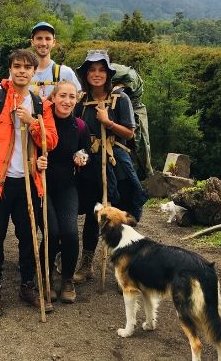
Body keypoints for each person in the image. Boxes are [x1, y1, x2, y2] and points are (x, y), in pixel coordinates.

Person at [0, 49, 58, 316]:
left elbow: (50, 140)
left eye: (27, 67)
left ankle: (27, 284)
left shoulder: (41, 105)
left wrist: (32, 122)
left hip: (28, 182)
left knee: (28, 236)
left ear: (34, 72)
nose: (22, 71)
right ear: (10, 69)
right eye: (17, 66)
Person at [71, 49, 147, 284]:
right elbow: (75, 133)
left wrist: (107, 122)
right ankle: (86, 264)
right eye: (92, 70)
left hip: (117, 165)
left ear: (108, 74)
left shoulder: (120, 99)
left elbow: (129, 133)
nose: (96, 74)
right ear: (85, 74)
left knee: (122, 217)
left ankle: (128, 269)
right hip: (91, 166)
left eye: (101, 70)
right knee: (96, 215)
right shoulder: (81, 101)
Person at [35, 81, 90, 304]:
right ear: (53, 98)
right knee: (52, 232)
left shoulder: (80, 126)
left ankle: (67, 279)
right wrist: (36, 161)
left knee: (69, 233)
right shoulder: (41, 122)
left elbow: (85, 150)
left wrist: (82, 157)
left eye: (72, 97)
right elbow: (31, 149)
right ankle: (46, 278)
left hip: (67, 186)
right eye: (63, 96)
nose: (67, 101)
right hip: (43, 186)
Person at [28, 21, 81, 99]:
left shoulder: (65, 73)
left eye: (48, 39)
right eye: (39, 38)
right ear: (32, 42)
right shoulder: (22, 73)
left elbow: (78, 100)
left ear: (54, 42)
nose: (43, 43)